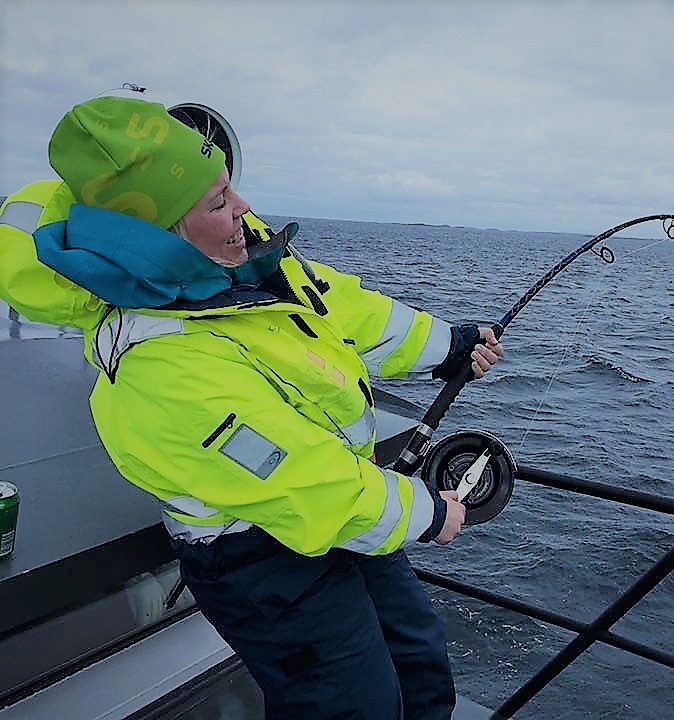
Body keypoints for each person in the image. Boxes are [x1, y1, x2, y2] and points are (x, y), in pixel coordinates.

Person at [0, 96, 504, 719]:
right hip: (261, 555)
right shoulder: (157, 362)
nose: (243, 210)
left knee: (420, 666)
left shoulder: (242, 256)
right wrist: (425, 513)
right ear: (156, 237)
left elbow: (333, 302)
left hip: (344, 506)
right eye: (216, 203)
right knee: (352, 705)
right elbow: (293, 477)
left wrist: (446, 346)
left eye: (230, 186)